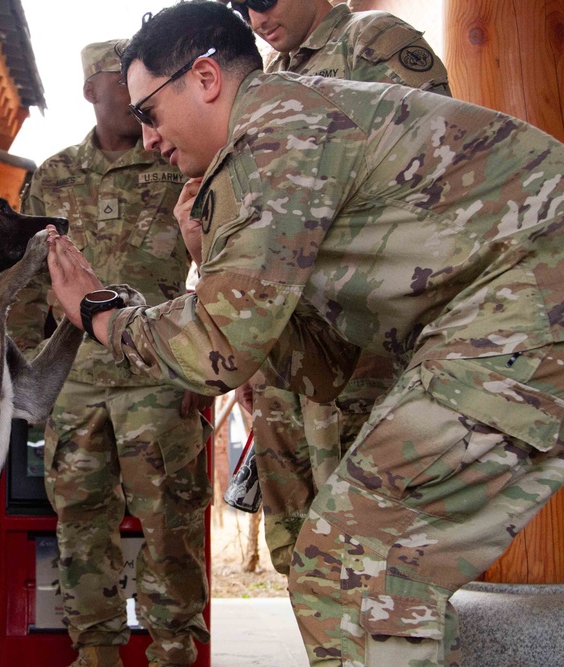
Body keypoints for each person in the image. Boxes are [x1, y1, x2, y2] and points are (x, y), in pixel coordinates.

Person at [44, 2, 564, 665]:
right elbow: (327, 366)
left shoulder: (272, 131)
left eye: (150, 111)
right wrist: (210, 251)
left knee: (351, 559)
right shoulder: (271, 133)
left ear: (205, 79)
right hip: (511, 310)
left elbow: (217, 350)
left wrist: (99, 312)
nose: (148, 137)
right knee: (364, 564)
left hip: (529, 301)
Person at [227, 0, 452, 575]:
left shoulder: (373, 42)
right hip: (290, 345)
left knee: (374, 545)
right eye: (237, 4)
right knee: (299, 545)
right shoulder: (267, 80)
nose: (253, 15)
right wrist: (253, 352)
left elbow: (434, 173)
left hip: (363, 343)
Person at [9, 40, 210, 667]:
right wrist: (18, 371)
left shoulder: (179, 160)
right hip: (76, 381)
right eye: (114, 82)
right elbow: (24, 279)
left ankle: (174, 650)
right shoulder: (54, 173)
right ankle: (95, 651)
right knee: (80, 527)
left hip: (158, 372)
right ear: (89, 91)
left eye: (135, 83)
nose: (129, 95)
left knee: (169, 527)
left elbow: (218, 253)